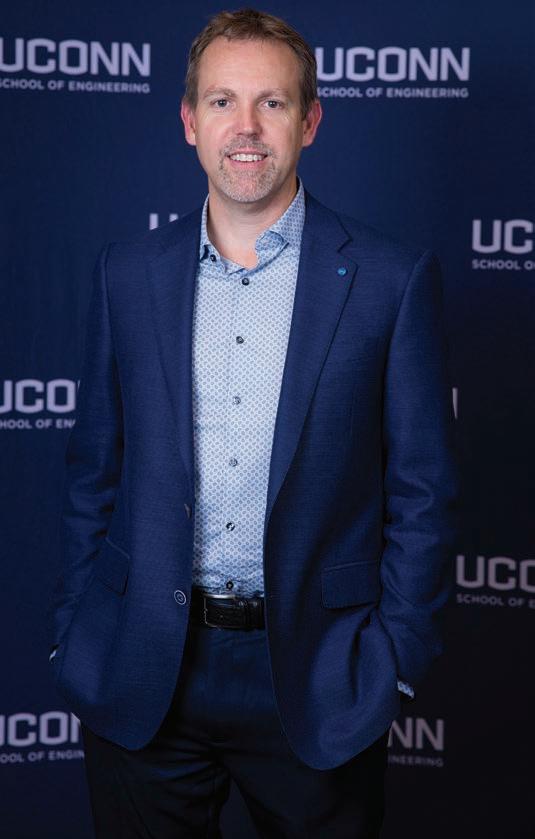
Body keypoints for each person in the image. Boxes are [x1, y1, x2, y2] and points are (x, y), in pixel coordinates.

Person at [48, 7, 458, 838]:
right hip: (143, 666)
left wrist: (392, 661)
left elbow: (423, 489)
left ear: (309, 121)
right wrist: (76, 630)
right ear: (188, 121)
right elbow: (95, 467)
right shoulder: (126, 274)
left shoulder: (389, 279)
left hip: (316, 675)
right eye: (222, 101)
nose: (245, 127)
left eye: (271, 102)